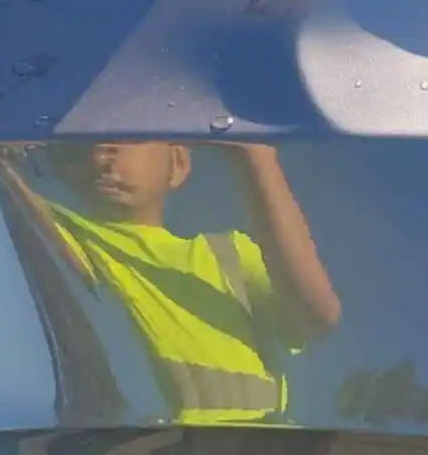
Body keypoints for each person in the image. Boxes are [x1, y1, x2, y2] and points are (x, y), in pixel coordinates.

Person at [24, 140, 340, 424]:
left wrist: (256, 156)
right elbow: (3, 178)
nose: (101, 154)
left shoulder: (228, 255)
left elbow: (316, 314)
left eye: (130, 135)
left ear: (178, 164)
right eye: (84, 144)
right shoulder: (60, 233)